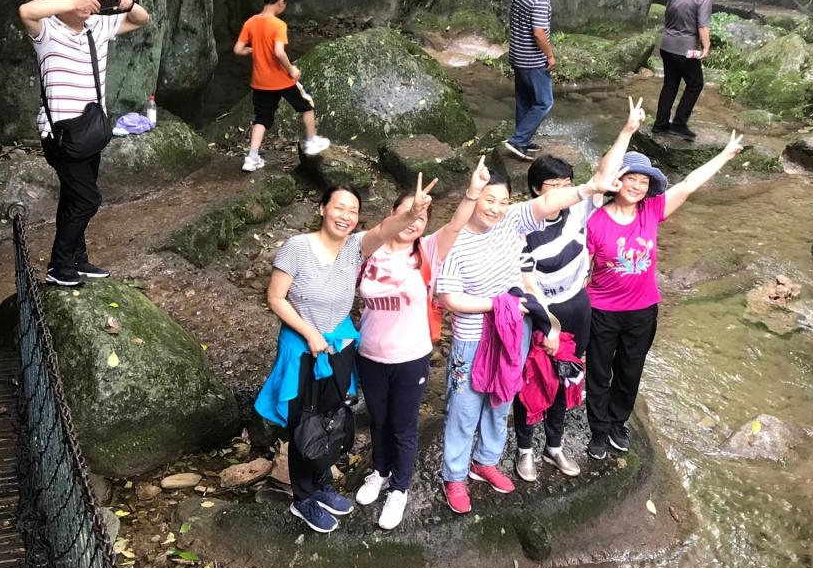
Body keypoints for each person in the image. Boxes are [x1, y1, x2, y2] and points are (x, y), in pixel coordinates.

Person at [435, 162, 622, 515]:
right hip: (474, 336)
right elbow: (448, 299)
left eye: (503, 201)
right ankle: (454, 476)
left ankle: (485, 461)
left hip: (512, 332)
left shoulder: (512, 221)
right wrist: (499, 304)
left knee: (502, 398)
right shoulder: (454, 239)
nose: (495, 208)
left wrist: (589, 188)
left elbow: (548, 203)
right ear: (474, 199)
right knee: (464, 406)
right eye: (488, 200)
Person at [254, 175, 436, 534]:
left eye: (353, 211)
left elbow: (386, 230)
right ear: (322, 209)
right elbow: (275, 297)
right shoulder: (297, 247)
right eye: (339, 207)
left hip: (339, 344)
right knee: (304, 421)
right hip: (303, 347)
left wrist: (412, 212)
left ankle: (321, 485)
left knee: (330, 417)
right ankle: (302, 498)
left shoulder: (355, 247)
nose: (345, 216)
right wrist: (309, 333)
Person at [584, 132, 743, 460]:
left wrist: (725, 155)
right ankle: (598, 429)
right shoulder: (594, 221)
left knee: (630, 369)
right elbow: (581, 269)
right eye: (632, 178)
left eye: (644, 181)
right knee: (599, 372)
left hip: (642, 310)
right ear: (618, 181)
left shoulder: (652, 210)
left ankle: (617, 423)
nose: (637, 186)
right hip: (602, 309)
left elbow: (689, 183)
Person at [513, 97, 646, 482]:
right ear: (535, 189)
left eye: (566, 185)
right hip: (541, 311)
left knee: (566, 375)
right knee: (534, 377)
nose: (562, 192)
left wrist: (627, 131)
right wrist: (548, 326)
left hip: (578, 306)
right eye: (553, 187)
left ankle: (554, 446)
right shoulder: (522, 224)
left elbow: (603, 174)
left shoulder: (579, 209)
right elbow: (526, 282)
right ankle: (525, 449)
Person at [354, 157, 491, 530]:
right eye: (408, 214)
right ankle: (380, 472)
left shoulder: (427, 250)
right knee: (378, 419)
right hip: (369, 352)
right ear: (392, 215)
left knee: (402, 425)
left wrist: (472, 192)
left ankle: (400, 488)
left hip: (411, 356)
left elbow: (455, 225)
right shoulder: (369, 249)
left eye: (421, 217)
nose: (415, 221)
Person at [18, 0, 150, 287]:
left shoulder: (98, 26)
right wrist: (72, 3)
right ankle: (59, 267)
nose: (87, 0)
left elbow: (141, 19)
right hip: (61, 135)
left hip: (90, 131)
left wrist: (129, 4)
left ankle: (77, 259)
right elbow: (26, 11)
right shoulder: (46, 31)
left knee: (73, 197)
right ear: (61, 1)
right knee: (87, 200)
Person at [233, 0, 329, 172]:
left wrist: (254, 49)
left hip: (260, 82)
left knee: (262, 118)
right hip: (281, 80)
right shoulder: (278, 25)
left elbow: (238, 49)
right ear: (281, 2)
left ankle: (252, 157)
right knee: (307, 105)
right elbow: (278, 52)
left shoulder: (250, 22)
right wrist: (291, 69)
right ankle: (311, 140)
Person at [504, 0, 567, 161]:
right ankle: (518, 141)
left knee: (525, 100)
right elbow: (538, 32)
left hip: (517, 54)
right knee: (544, 102)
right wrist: (550, 56)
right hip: (532, 59)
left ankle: (523, 138)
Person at [653, 0, 712, 141]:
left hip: (666, 45)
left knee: (670, 85)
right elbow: (703, 26)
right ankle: (678, 124)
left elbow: (667, 15)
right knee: (695, 84)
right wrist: (706, 47)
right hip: (685, 49)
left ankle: (660, 124)